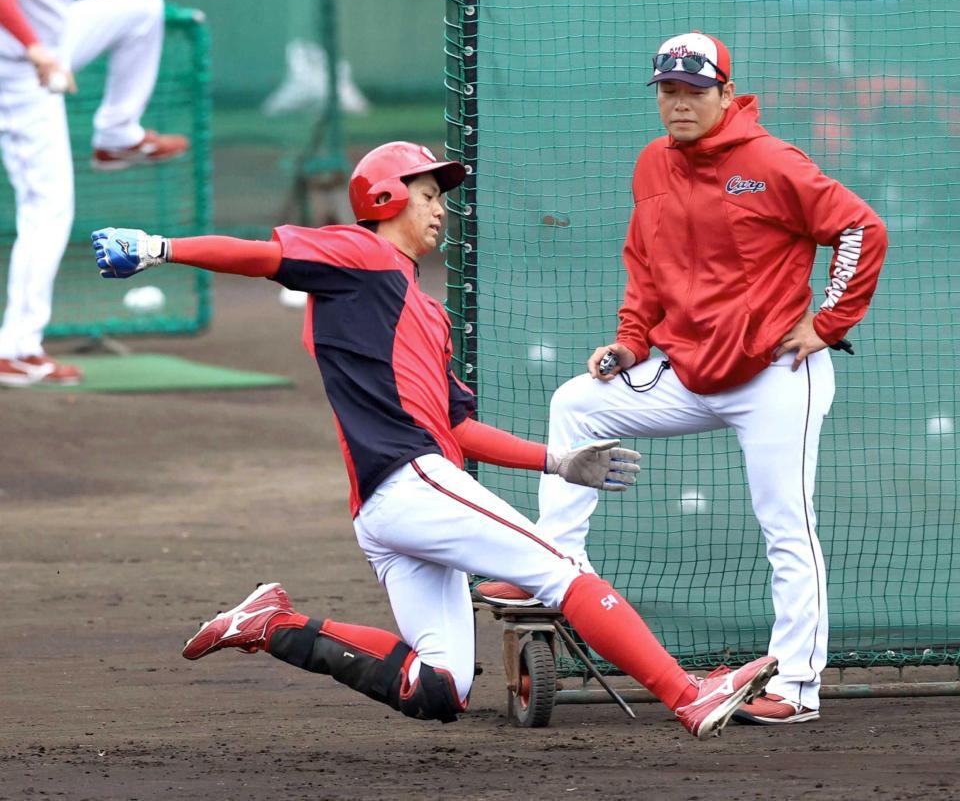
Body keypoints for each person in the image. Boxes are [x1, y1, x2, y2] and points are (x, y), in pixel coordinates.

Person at [91, 140, 777, 738]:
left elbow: (456, 427)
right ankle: (689, 695)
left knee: (439, 686)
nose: (439, 207)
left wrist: (560, 460)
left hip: (394, 505)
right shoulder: (359, 252)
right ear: (386, 196)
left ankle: (272, 623)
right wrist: (161, 249)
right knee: (562, 570)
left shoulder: (422, 308)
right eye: (426, 193)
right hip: (409, 480)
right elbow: (265, 256)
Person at [476, 32, 888, 725]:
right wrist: (632, 341)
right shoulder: (652, 165)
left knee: (787, 525)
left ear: (727, 93)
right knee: (577, 403)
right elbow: (645, 261)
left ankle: (798, 685)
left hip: (776, 373)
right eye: (668, 90)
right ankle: (554, 564)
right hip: (689, 368)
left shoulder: (771, 161)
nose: (679, 103)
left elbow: (860, 229)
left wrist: (829, 322)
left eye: (694, 90)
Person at [0, 0, 188, 387]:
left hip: (52, 38)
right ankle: (16, 350)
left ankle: (118, 135)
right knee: (46, 210)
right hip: (18, 67)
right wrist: (34, 48)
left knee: (142, 7)